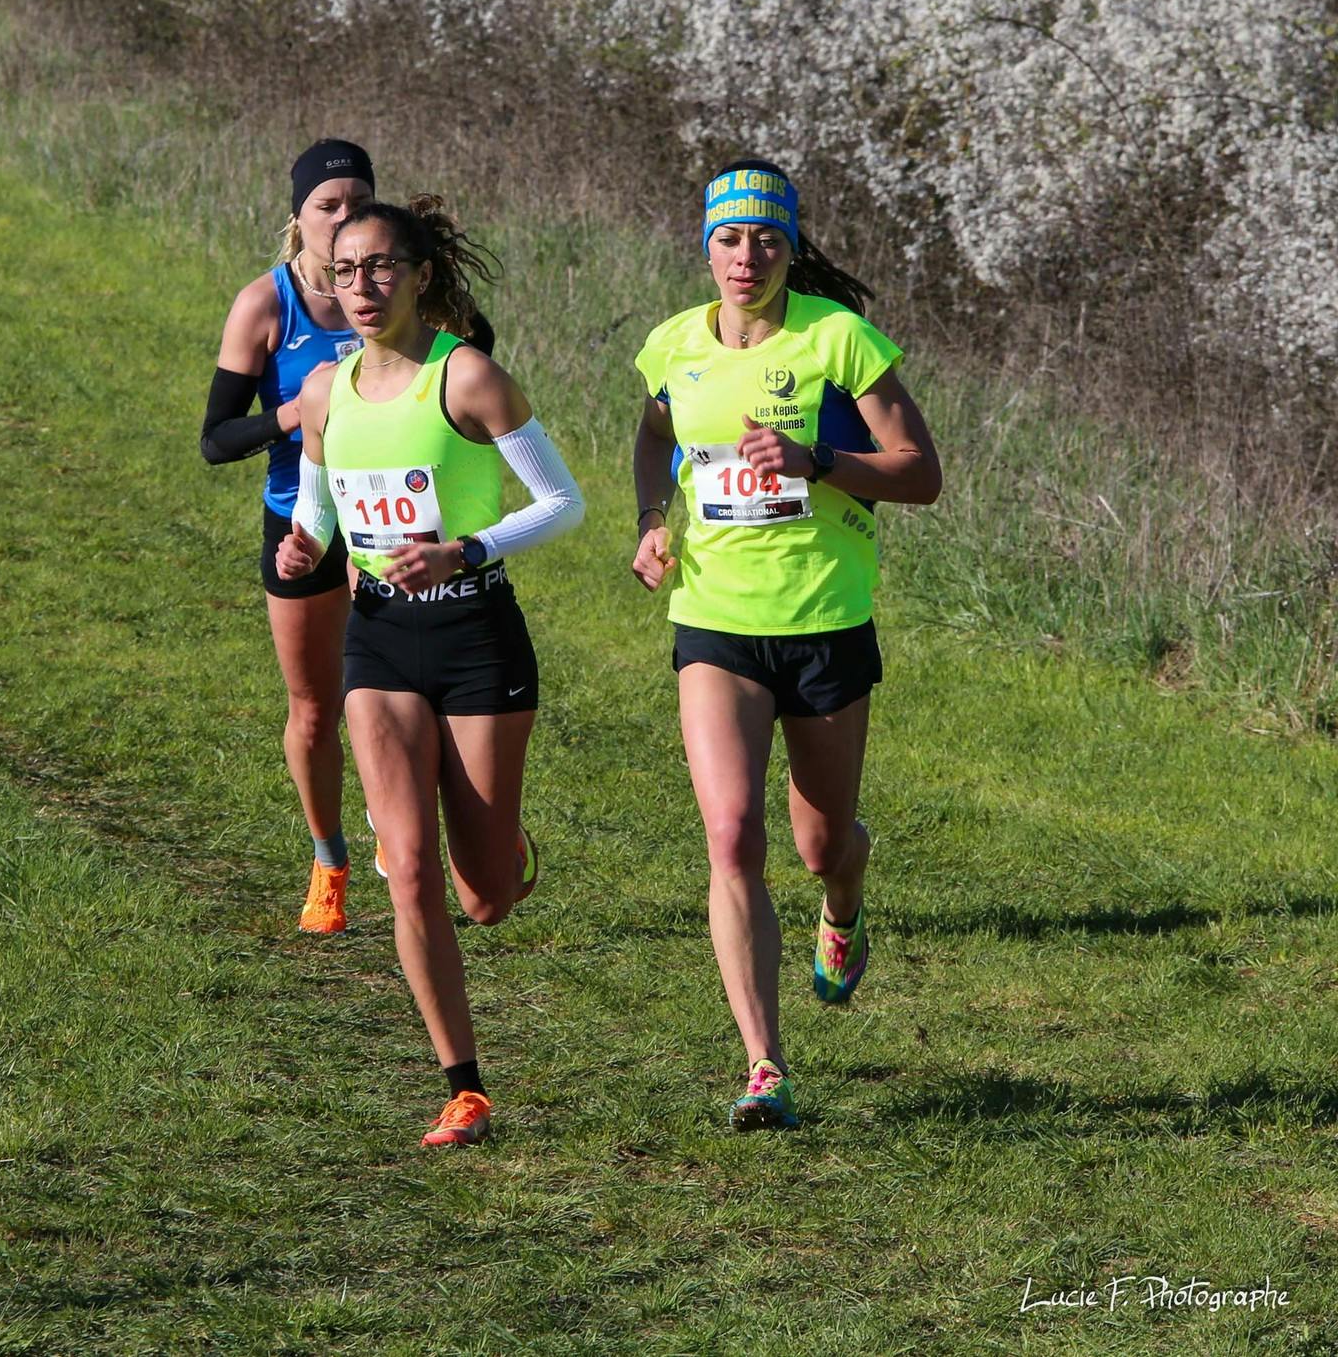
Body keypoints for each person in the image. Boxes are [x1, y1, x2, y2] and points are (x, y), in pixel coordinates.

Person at [629, 159, 942, 1131]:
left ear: (789, 244)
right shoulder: (672, 346)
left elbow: (920, 474)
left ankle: (843, 904)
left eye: (764, 237)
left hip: (821, 622)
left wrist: (818, 462)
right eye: (727, 237)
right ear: (703, 246)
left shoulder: (837, 339)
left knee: (817, 844)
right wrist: (652, 518)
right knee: (730, 837)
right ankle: (763, 1064)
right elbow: (653, 436)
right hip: (713, 620)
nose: (744, 255)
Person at [277, 196, 583, 1146]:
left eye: (379, 269)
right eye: (343, 271)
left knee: (483, 896)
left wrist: (467, 549)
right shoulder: (326, 392)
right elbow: (326, 509)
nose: (360, 287)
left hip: (478, 639)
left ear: (417, 276)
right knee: (407, 870)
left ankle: (503, 850)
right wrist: (303, 544)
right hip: (380, 643)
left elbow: (563, 504)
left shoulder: (470, 379)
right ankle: (464, 1087)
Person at [201, 139, 376, 935]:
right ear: (297, 216)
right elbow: (214, 438)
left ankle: (416, 834)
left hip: (392, 515)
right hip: (302, 522)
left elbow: (468, 354)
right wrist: (294, 412)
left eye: (355, 203)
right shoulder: (265, 306)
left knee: (405, 693)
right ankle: (328, 858)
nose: (342, 220)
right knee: (315, 708)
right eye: (326, 206)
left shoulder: (396, 289)